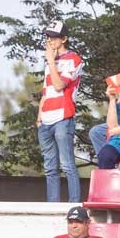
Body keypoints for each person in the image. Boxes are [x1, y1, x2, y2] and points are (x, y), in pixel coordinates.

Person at [36, 20, 83, 203]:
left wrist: (50, 60)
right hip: (46, 118)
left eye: (54, 37)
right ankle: (51, 205)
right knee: (50, 167)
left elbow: (58, 85)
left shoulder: (73, 59)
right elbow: (46, 91)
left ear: (64, 39)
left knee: (67, 164)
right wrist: (39, 117)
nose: (50, 40)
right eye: (48, 36)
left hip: (63, 116)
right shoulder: (51, 62)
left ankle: (73, 205)